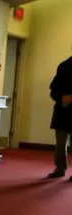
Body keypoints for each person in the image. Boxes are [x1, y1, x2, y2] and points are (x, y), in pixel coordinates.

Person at [46, 48, 72, 179]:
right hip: (62, 111)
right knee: (60, 145)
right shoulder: (64, 66)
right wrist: (61, 98)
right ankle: (60, 168)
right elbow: (53, 89)